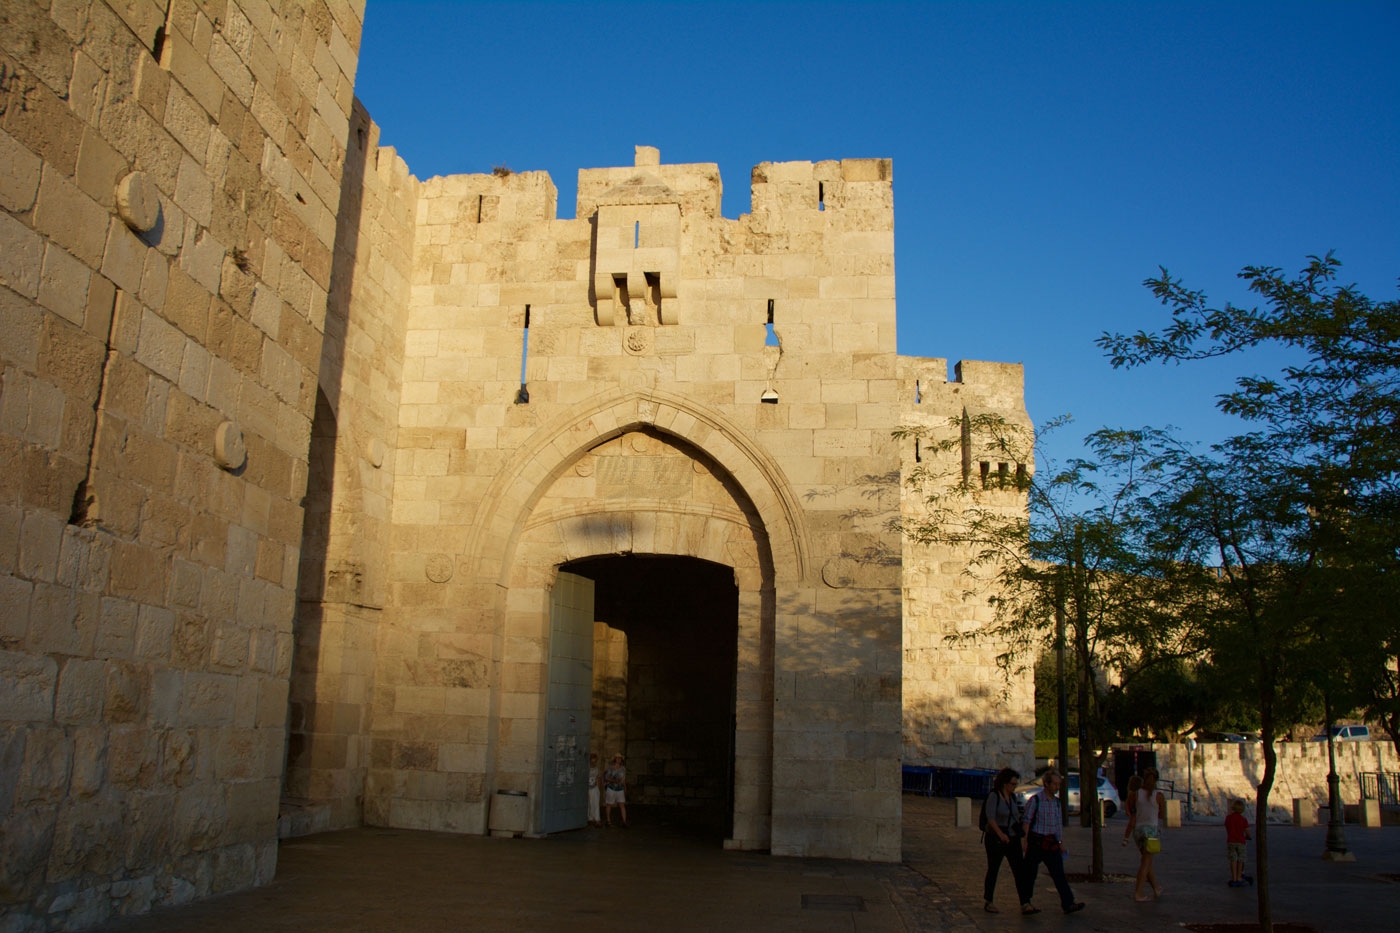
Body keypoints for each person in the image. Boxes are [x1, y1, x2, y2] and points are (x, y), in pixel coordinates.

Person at [1020, 769, 1086, 915]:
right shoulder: (1035, 800)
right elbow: (1026, 821)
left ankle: (1068, 903)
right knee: (1030, 874)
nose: (1057, 787)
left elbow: (1057, 824)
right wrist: (1024, 840)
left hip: (1051, 843)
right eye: (1054, 784)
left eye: (1059, 784)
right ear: (1046, 784)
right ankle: (1026, 902)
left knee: (1059, 874)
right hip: (1037, 843)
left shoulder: (1057, 803)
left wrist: (1061, 842)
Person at [980, 768, 1035, 914]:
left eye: (1016, 784)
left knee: (1019, 870)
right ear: (1004, 783)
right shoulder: (994, 796)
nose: (1014, 787)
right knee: (993, 869)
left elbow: (1015, 816)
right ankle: (989, 900)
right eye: (1012, 784)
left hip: (1012, 837)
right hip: (996, 839)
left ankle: (1025, 902)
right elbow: (990, 817)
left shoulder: (1012, 798)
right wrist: (1000, 834)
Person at [1125, 766, 1167, 901]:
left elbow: (1130, 810)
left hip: (1138, 831)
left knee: (1146, 861)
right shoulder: (1159, 796)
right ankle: (1138, 893)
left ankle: (1156, 888)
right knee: (1145, 863)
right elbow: (1162, 815)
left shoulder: (1136, 794)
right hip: (1152, 832)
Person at [1224, 798, 1254, 887]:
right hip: (1241, 841)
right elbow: (1247, 832)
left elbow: (1227, 828)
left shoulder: (1228, 818)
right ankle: (1239, 877)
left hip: (1231, 841)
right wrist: (1248, 837)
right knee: (1241, 859)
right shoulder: (1243, 819)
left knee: (1233, 859)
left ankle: (1234, 878)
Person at [603, 753, 628, 828]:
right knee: (609, 804)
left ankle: (624, 821)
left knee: (622, 805)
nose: (618, 760)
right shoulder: (610, 768)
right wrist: (614, 781)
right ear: (615, 759)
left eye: (620, 758)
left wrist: (625, 787)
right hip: (611, 788)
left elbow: (623, 779)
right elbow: (606, 778)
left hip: (620, 788)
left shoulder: (623, 769)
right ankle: (608, 821)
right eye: (617, 758)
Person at [587, 753, 601, 826]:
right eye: (592, 759)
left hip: (594, 787)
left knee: (595, 803)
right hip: (587, 787)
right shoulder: (586, 767)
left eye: (594, 760)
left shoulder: (596, 768)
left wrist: (598, 788)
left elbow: (597, 778)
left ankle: (597, 819)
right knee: (588, 803)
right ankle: (590, 817)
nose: (593, 761)